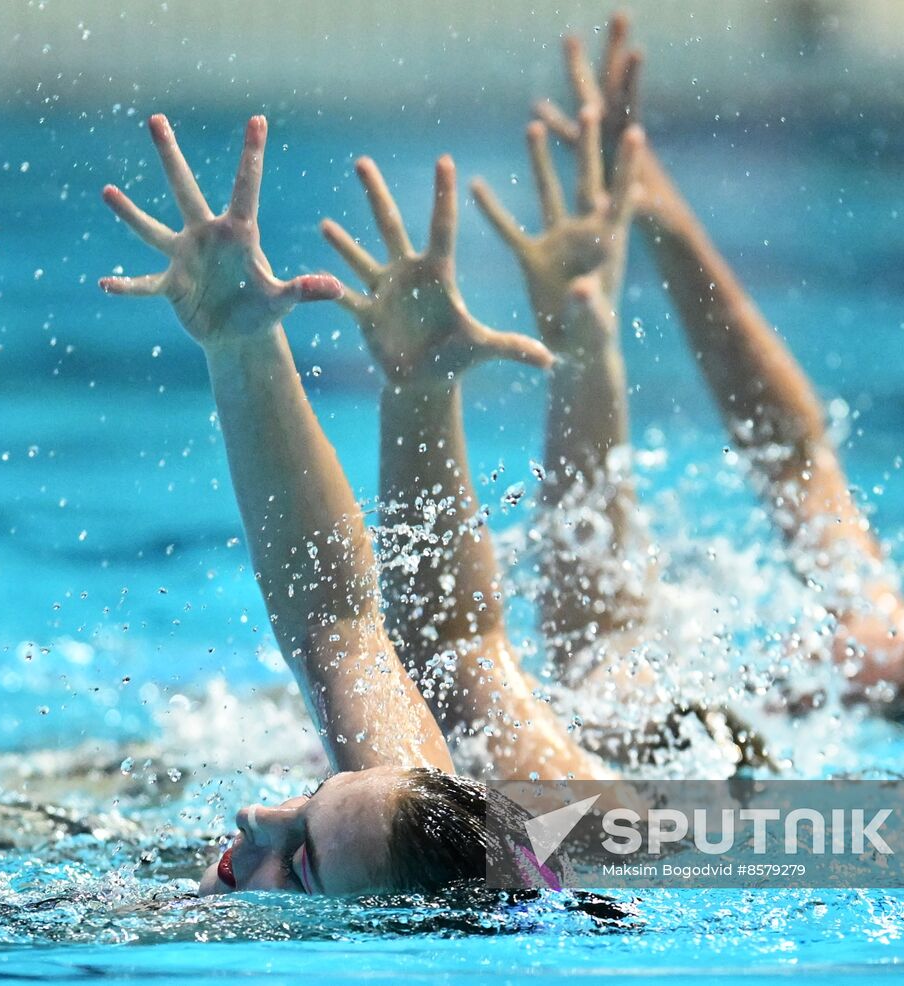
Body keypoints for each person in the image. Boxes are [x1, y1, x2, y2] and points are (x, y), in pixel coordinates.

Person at [99, 115, 616, 897]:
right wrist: (245, 348)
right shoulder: (411, 822)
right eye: (309, 798)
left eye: (303, 864)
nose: (252, 817)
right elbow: (349, 627)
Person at [499, 11, 904, 721]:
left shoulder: (693, 750)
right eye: (875, 632)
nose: (844, 637)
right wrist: (661, 211)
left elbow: (596, 660)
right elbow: (792, 452)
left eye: (865, 659)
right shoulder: (836, 674)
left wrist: (585, 358)